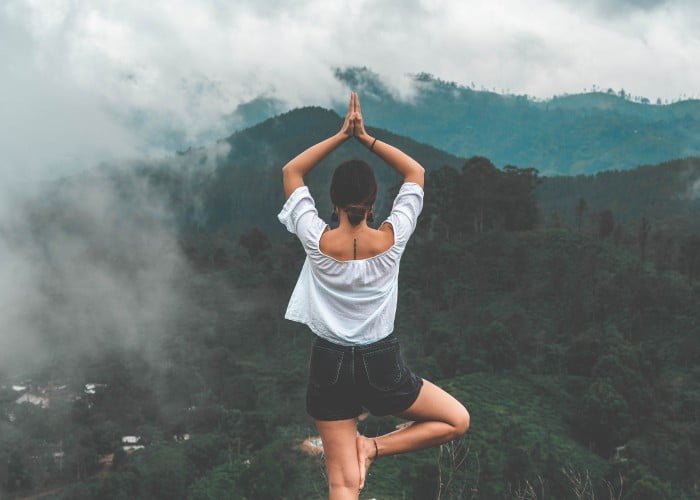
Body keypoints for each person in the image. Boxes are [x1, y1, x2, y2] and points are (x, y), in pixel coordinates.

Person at [277, 91, 470, 499]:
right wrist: (365, 138)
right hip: (381, 364)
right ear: (372, 202)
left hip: (328, 363)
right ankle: (374, 447)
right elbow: (415, 172)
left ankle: (364, 448)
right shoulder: (391, 239)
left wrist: (339, 135)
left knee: (342, 487)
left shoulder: (316, 240)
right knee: (456, 420)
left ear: (332, 201)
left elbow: (292, 172)